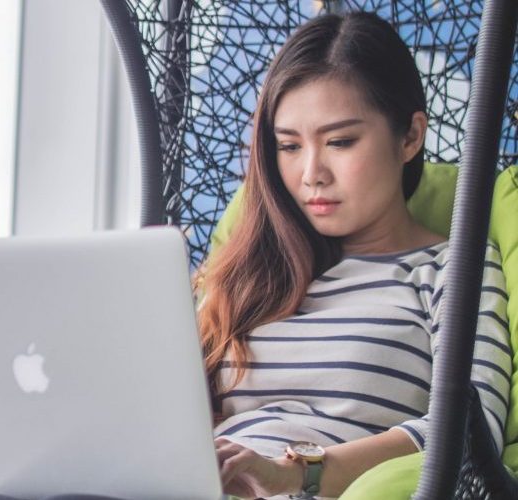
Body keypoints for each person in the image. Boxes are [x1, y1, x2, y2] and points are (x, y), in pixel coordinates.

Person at [194, 11, 511, 499]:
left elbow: (470, 436)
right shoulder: (253, 270)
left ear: (409, 136)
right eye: (289, 146)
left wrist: (298, 471)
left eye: (340, 141)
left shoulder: (452, 269)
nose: (311, 173)